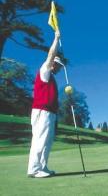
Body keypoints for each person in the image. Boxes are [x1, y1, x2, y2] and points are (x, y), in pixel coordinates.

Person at [27, 31, 62, 178]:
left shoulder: (51, 77)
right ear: (53, 63)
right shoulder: (44, 70)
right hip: (42, 111)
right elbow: (50, 54)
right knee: (40, 139)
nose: (60, 68)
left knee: (47, 141)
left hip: (50, 113)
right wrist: (56, 38)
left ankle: (42, 167)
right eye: (58, 65)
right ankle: (34, 169)